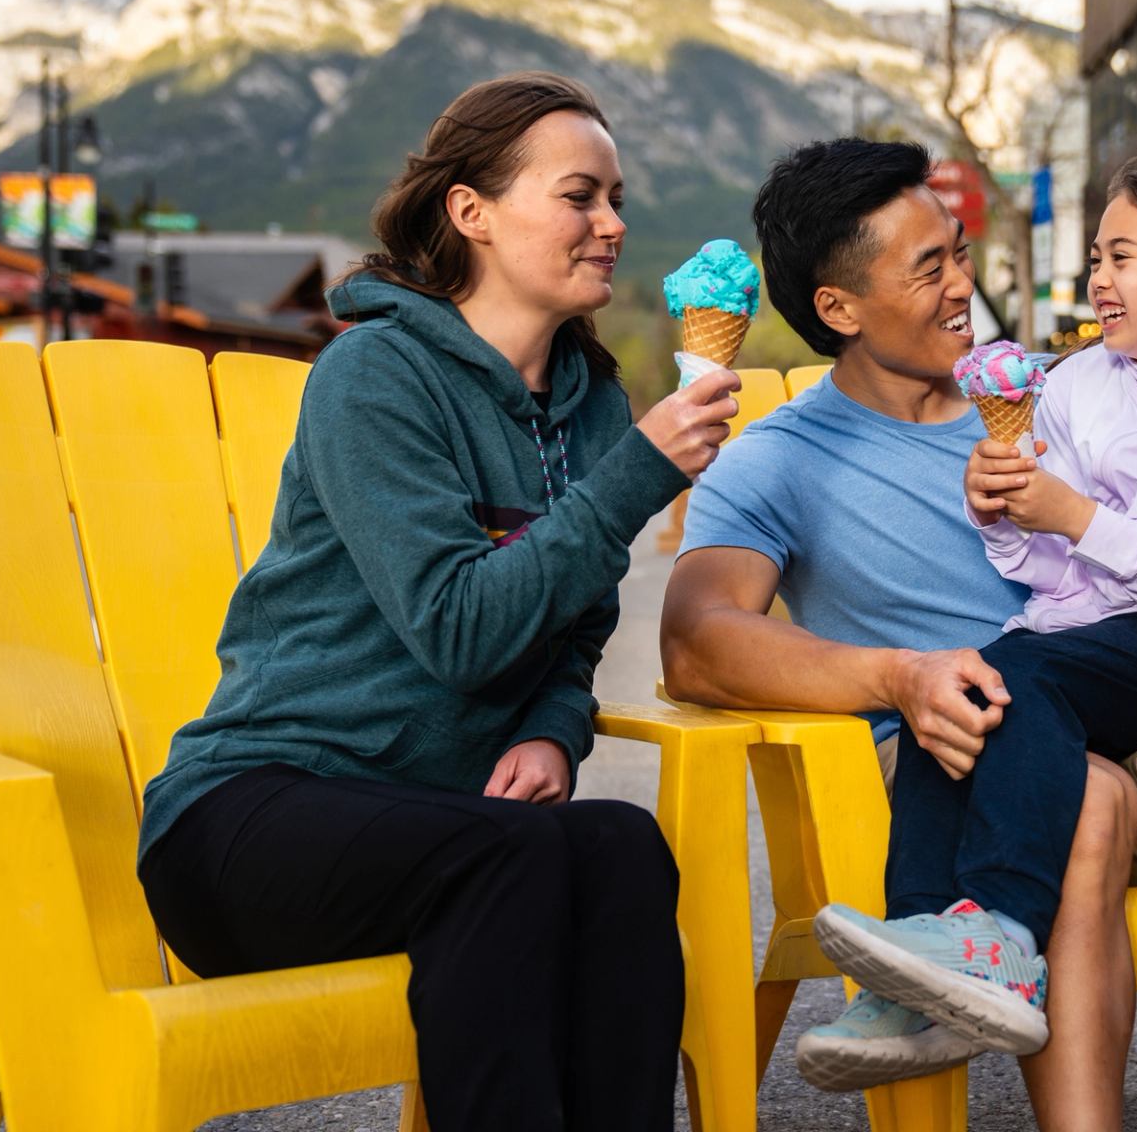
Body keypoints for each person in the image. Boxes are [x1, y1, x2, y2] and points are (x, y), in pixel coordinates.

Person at [660, 137, 1137, 1131]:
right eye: (931, 268)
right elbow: (697, 639)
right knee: (1084, 795)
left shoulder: (1066, 390)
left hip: (1132, 715)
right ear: (840, 307)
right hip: (958, 758)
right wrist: (901, 677)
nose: (965, 285)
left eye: (959, 251)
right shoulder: (778, 458)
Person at [135, 72, 740, 1132]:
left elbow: (578, 612)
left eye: (617, 197)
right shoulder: (374, 378)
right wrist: (639, 474)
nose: (614, 224)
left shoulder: (592, 401)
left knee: (620, 848)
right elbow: (459, 629)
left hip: (438, 827)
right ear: (472, 212)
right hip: (251, 817)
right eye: (580, 196)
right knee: (508, 862)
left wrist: (555, 728)